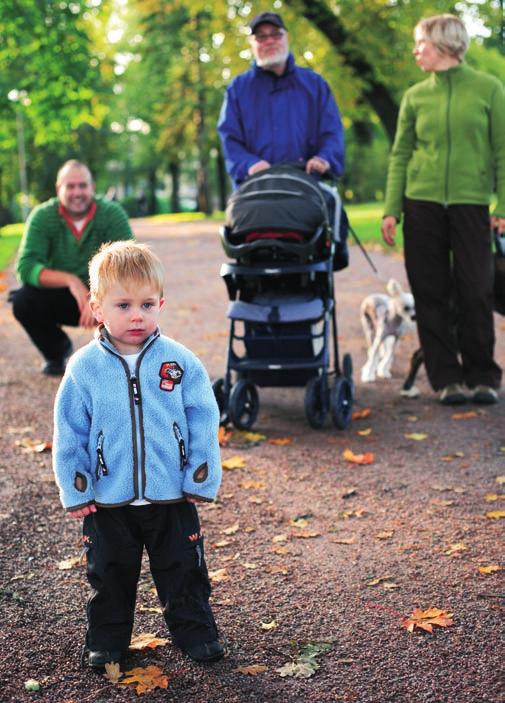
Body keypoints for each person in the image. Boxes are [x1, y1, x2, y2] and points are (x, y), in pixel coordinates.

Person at [52, 241, 224, 669]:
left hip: (171, 495)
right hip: (109, 499)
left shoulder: (179, 362)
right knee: (108, 574)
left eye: (147, 304)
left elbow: (203, 418)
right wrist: (76, 486)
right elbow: (70, 431)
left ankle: (196, 634)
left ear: (161, 303)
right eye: (124, 304)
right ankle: (107, 641)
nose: (137, 316)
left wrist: (199, 478)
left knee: (184, 569)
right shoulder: (84, 367)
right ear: (97, 306)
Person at [381, 14, 504, 405]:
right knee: (429, 290)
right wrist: (390, 209)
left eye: (422, 44)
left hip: (471, 203)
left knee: (475, 289)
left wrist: (502, 203)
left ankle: (483, 374)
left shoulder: (489, 89)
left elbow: (503, 151)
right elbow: (400, 154)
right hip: (422, 203)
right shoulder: (415, 96)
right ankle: (446, 378)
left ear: (445, 44)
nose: (417, 51)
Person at [11, 160, 134, 376]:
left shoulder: (112, 214)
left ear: (92, 188)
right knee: (22, 301)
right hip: (62, 297)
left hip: (106, 295)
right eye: (70, 186)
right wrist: (71, 281)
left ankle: (125, 357)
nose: (77, 192)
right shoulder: (42, 217)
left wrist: (98, 296)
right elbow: (26, 266)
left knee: (134, 296)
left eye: (83, 186)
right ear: (59, 189)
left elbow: (129, 264)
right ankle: (57, 352)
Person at [217, 11, 344, 187]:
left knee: (337, 213)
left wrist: (324, 159)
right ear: (252, 44)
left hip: (308, 187)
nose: (269, 41)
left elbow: (332, 133)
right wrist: (250, 164)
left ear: (287, 38)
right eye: (261, 37)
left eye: (276, 35)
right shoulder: (237, 89)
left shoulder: (315, 85)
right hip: (256, 190)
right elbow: (229, 139)